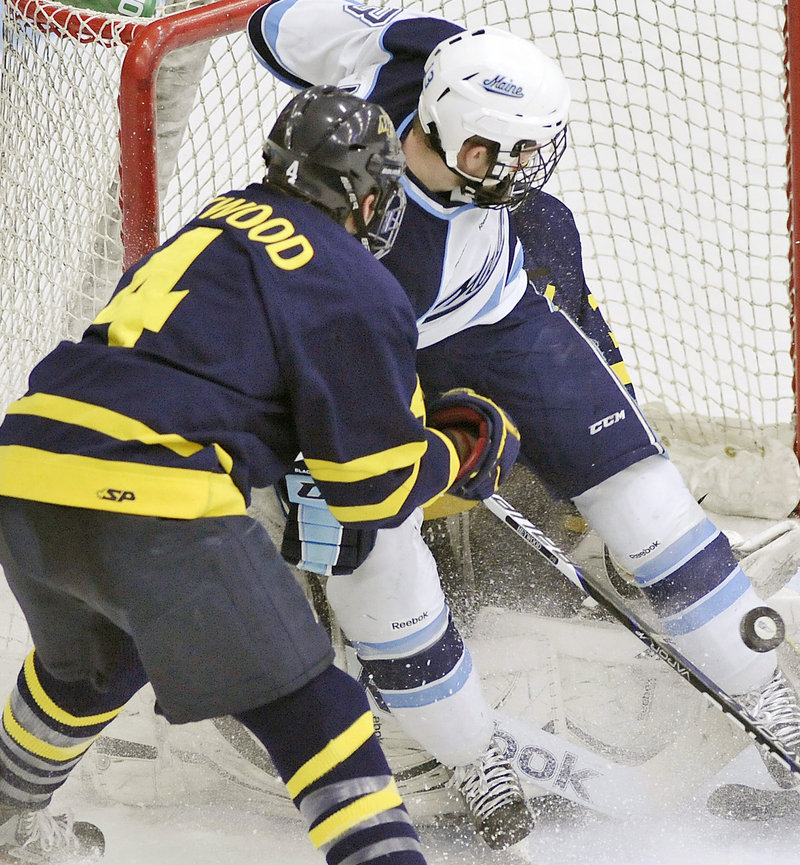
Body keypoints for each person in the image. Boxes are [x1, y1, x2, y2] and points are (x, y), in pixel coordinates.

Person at [247, 0, 800, 843]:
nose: (528, 165)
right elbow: (312, 368)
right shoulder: (349, 250)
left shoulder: (426, 52)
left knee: (646, 497)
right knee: (374, 543)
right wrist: (417, 455)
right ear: (460, 138)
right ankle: (472, 759)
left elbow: (273, 26)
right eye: (502, 150)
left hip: (496, 314)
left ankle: (773, 707)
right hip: (358, 353)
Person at [0, 85, 521, 864]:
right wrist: (464, 450)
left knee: (94, 667)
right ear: (367, 192)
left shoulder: (216, 217)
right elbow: (369, 494)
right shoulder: (351, 277)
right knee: (325, 716)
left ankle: (6, 821)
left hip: (25, 468)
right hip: (152, 499)